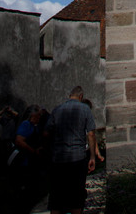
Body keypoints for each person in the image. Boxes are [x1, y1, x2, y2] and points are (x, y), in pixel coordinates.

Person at [46, 85, 97, 214]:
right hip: (77, 159)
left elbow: (46, 133)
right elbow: (91, 134)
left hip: (58, 159)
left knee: (56, 199)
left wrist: (50, 151)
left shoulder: (57, 110)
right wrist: (92, 157)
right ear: (81, 97)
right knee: (76, 198)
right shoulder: (85, 109)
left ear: (70, 96)